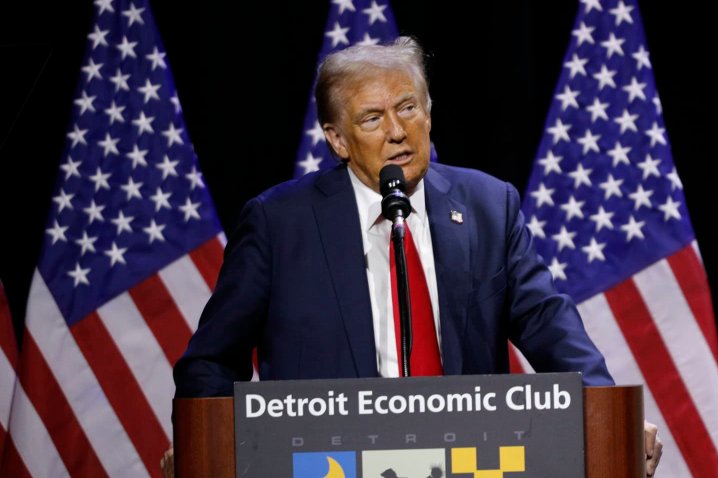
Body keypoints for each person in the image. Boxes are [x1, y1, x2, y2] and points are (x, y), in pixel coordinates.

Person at [173, 37, 661, 476]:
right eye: (371, 118)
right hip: (325, 463)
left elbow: (549, 324)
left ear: (428, 113)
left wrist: (609, 418)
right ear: (337, 139)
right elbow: (212, 360)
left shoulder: (489, 206)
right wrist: (203, 445)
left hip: (469, 459)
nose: (397, 132)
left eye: (408, 108)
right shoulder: (279, 224)